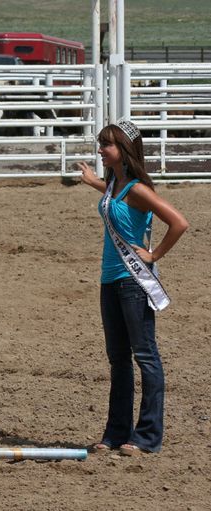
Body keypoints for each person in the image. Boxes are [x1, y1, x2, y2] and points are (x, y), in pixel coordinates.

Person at [78, 119, 188, 456]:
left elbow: (179, 222)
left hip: (132, 280)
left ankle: (147, 437)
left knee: (145, 356)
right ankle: (115, 434)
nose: (100, 150)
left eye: (106, 145)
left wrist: (153, 254)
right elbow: (114, 199)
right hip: (108, 281)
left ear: (123, 151)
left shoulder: (138, 189)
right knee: (118, 360)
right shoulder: (115, 185)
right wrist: (95, 182)